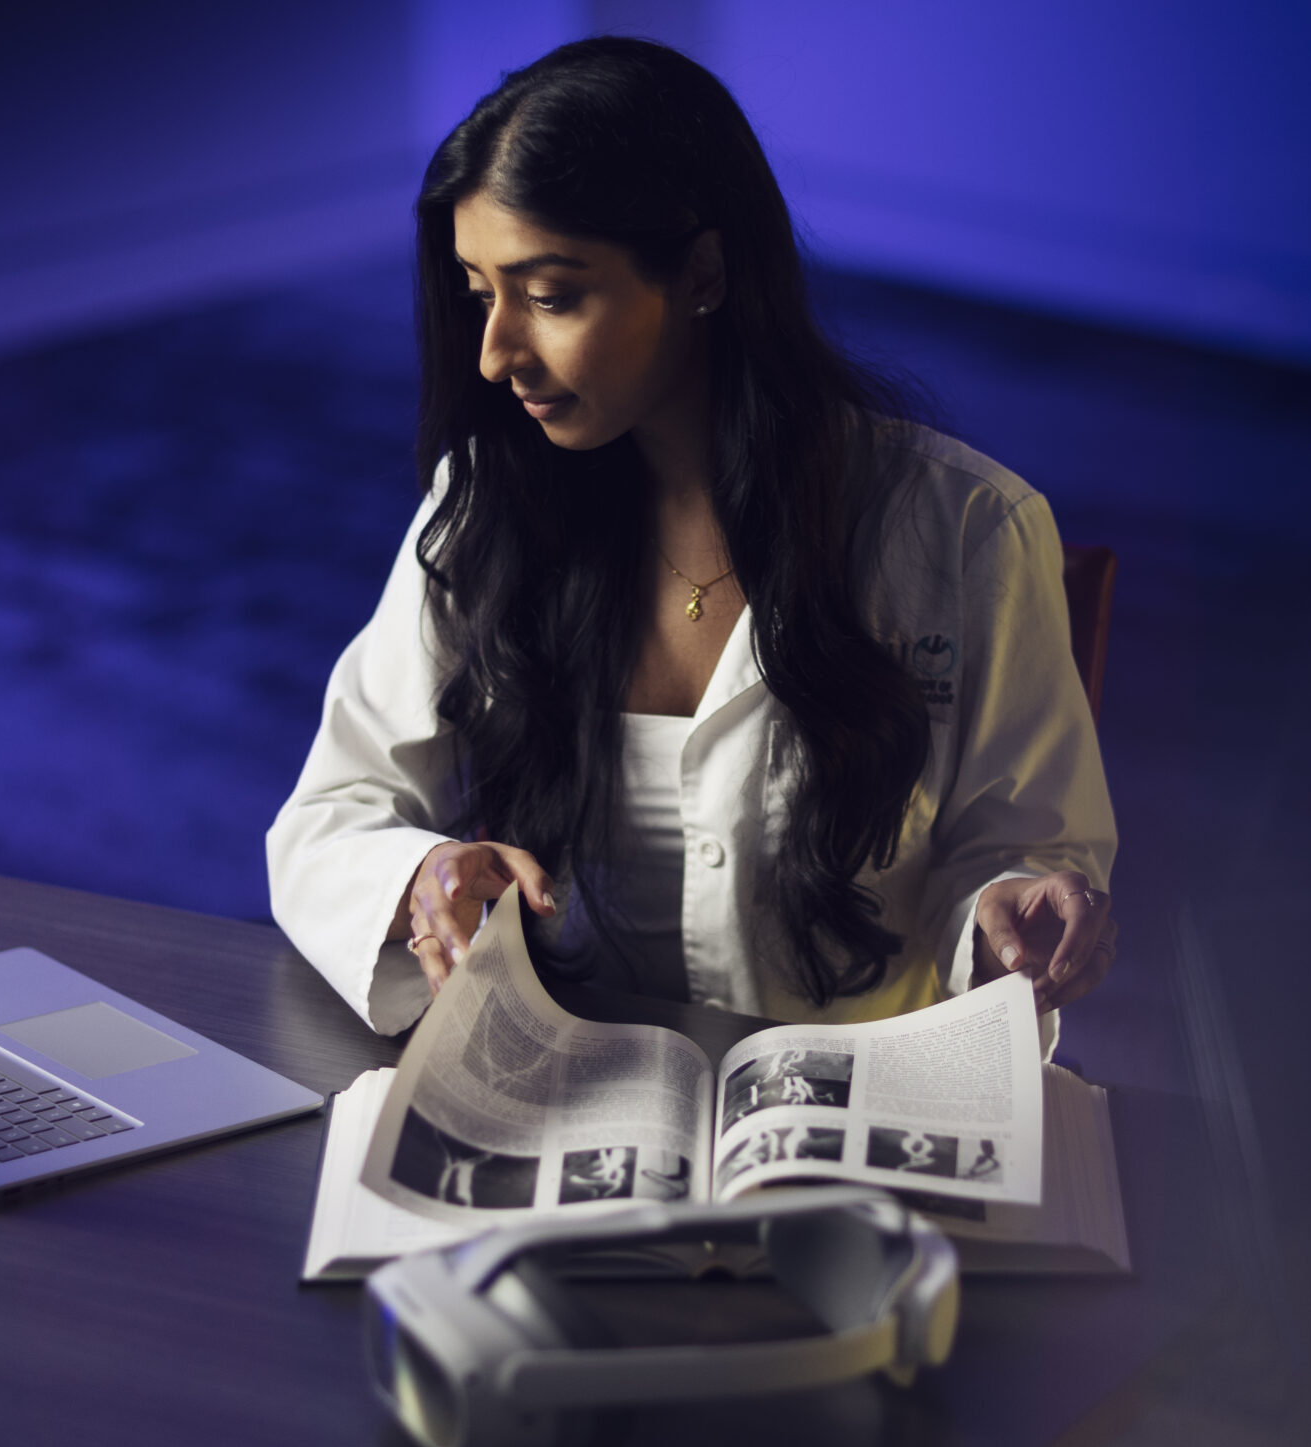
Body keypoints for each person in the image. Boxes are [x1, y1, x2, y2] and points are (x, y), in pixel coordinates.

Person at [267, 37, 1117, 1045]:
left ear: (704, 271)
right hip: (568, 1099)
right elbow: (325, 820)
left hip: (848, 1121)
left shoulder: (969, 530)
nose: (496, 355)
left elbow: (1018, 852)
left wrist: (1006, 909)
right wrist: (421, 874)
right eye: (476, 294)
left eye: (548, 297)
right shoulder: (487, 508)